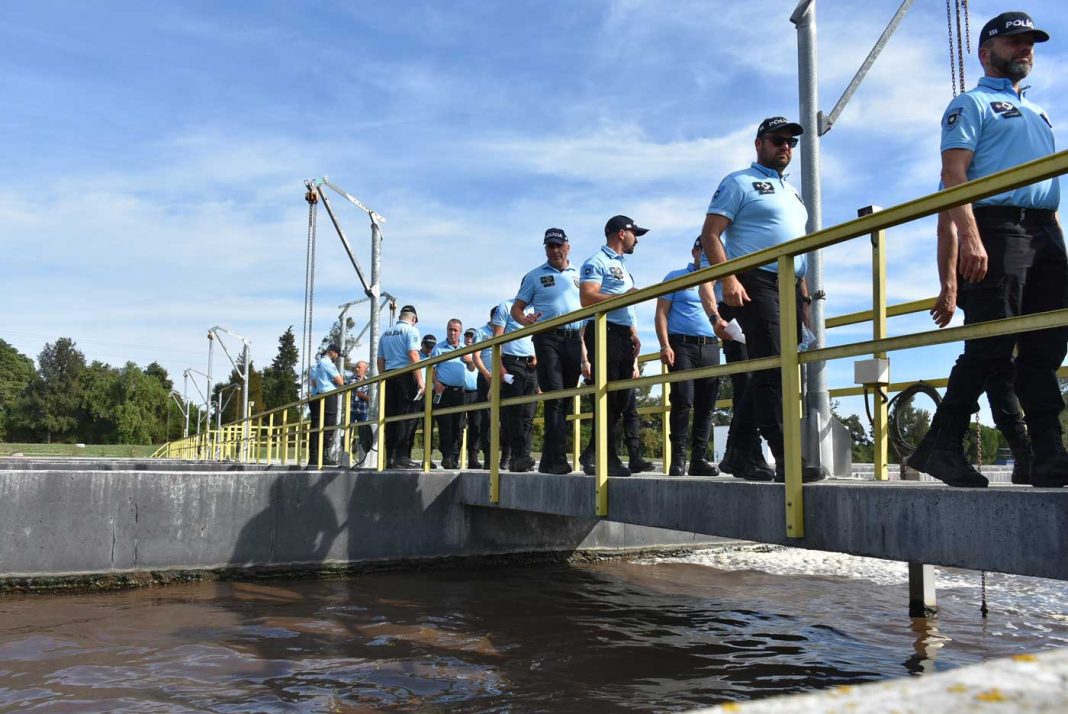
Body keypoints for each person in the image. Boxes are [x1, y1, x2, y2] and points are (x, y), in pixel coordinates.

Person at [909, 11, 1066, 487]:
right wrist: (971, 238)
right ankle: (941, 444)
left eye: (1030, 43)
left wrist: (1058, 243)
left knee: (1046, 343)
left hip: (1044, 231)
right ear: (986, 52)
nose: (1025, 49)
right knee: (992, 341)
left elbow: (1045, 186)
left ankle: (1047, 454)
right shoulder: (970, 103)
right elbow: (954, 176)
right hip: (996, 227)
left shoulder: (1038, 113)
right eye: (1015, 41)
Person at [700, 116, 825, 483]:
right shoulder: (739, 182)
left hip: (790, 283)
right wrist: (729, 278)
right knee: (773, 368)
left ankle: (740, 450)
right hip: (755, 281)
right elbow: (710, 235)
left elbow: (796, 247)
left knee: (780, 368)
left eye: (791, 142)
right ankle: (787, 457)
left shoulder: (792, 192)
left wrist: (803, 297)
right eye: (777, 140)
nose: (785, 146)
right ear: (759, 144)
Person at [929, 210, 1031, 484]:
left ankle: (1023, 454)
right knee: (987, 351)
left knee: (1002, 361)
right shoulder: (966, 170)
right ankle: (941, 444)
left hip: (1024, 244)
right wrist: (948, 285)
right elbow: (946, 225)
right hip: (987, 251)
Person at [578, 215, 649, 478]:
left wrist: (633, 332)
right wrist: (622, 297)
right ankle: (607, 457)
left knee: (620, 400)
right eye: (634, 233)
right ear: (621, 233)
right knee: (608, 397)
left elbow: (625, 304)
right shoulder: (597, 261)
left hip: (621, 334)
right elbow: (587, 298)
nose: (636, 239)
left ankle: (593, 452)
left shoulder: (622, 266)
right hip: (604, 332)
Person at [511, 228, 583, 474]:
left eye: (558, 246)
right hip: (547, 338)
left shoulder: (580, 274)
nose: (554, 251)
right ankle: (557, 459)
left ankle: (548, 459)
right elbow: (517, 308)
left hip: (574, 339)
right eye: (549, 247)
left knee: (567, 398)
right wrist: (525, 321)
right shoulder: (534, 275)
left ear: (567, 247)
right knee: (555, 396)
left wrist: (585, 352)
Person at [655, 238, 722, 476]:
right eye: (702, 250)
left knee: (707, 405)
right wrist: (664, 345)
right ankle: (678, 459)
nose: (706, 255)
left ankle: (699, 459)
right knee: (683, 399)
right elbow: (661, 313)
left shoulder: (720, 277)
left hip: (711, 345)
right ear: (694, 251)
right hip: (682, 344)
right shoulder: (676, 277)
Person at [492, 298, 538, 472]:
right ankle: (517, 455)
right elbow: (497, 339)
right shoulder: (506, 307)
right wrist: (501, 368)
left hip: (531, 365)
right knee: (514, 413)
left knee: (528, 413)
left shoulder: (536, 309)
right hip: (511, 363)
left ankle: (523, 456)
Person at [376, 305, 424, 469]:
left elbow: (380, 360)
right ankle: (401, 457)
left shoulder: (385, 334)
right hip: (405, 376)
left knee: (390, 417)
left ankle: (389, 456)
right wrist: (420, 381)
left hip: (388, 377)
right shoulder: (411, 331)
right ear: (413, 319)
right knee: (406, 416)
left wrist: (383, 379)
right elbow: (413, 354)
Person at [431, 319, 476, 469]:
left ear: (460, 332)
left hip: (460, 393)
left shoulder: (465, 348)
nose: (452, 332)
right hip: (444, 392)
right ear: (446, 330)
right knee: (445, 426)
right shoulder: (438, 348)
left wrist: (470, 361)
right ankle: (447, 456)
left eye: (455, 330)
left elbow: (471, 369)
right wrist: (436, 383)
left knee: (460, 426)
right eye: (450, 329)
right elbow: (431, 368)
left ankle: (455, 457)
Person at [470, 308, 499, 469]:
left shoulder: (505, 329)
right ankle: (489, 457)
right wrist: (488, 375)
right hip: (486, 378)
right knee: (487, 420)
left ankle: (506, 457)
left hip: (503, 378)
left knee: (507, 418)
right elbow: (476, 356)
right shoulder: (481, 332)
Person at [307, 343, 344, 468]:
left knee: (316, 426)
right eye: (337, 355)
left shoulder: (315, 364)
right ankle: (324, 455)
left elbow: (313, 382)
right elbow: (340, 382)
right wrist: (333, 380)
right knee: (329, 424)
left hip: (316, 395)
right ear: (332, 352)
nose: (337, 358)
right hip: (328, 395)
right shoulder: (327, 363)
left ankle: (313, 456)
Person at [405, 334, 438, 468]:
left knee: (428, 427)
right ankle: (406, 456)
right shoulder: (415, 356)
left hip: (429, 394)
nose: (429, 350)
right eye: (427, 347)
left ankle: (427, 458)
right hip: (416, 393)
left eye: (432, 348)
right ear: (422, 345)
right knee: (411, 426)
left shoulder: (434, 356)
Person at [462, 328, 482, 468]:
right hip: (461, 393)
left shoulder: (480, 350)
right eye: (467, 336)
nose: (469, 338)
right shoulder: (459, 349)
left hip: (476, 393)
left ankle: (473, 458)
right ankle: (454, 457)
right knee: (459, 426)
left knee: (477, 427)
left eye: (472, 336)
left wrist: (472, 360)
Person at [346, 359, 373, 459]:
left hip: (362, 410)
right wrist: (364, 396)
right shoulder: (352, 379)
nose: (356, 369)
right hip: (352, 410)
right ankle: (348, 451)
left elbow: (370, 397)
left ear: (365, 369)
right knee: (348, 431)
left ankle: (362, 456)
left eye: (359, 367)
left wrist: (364, 396)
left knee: (364, 433)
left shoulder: (369, 381)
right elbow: (358, 393)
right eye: (356, 367)